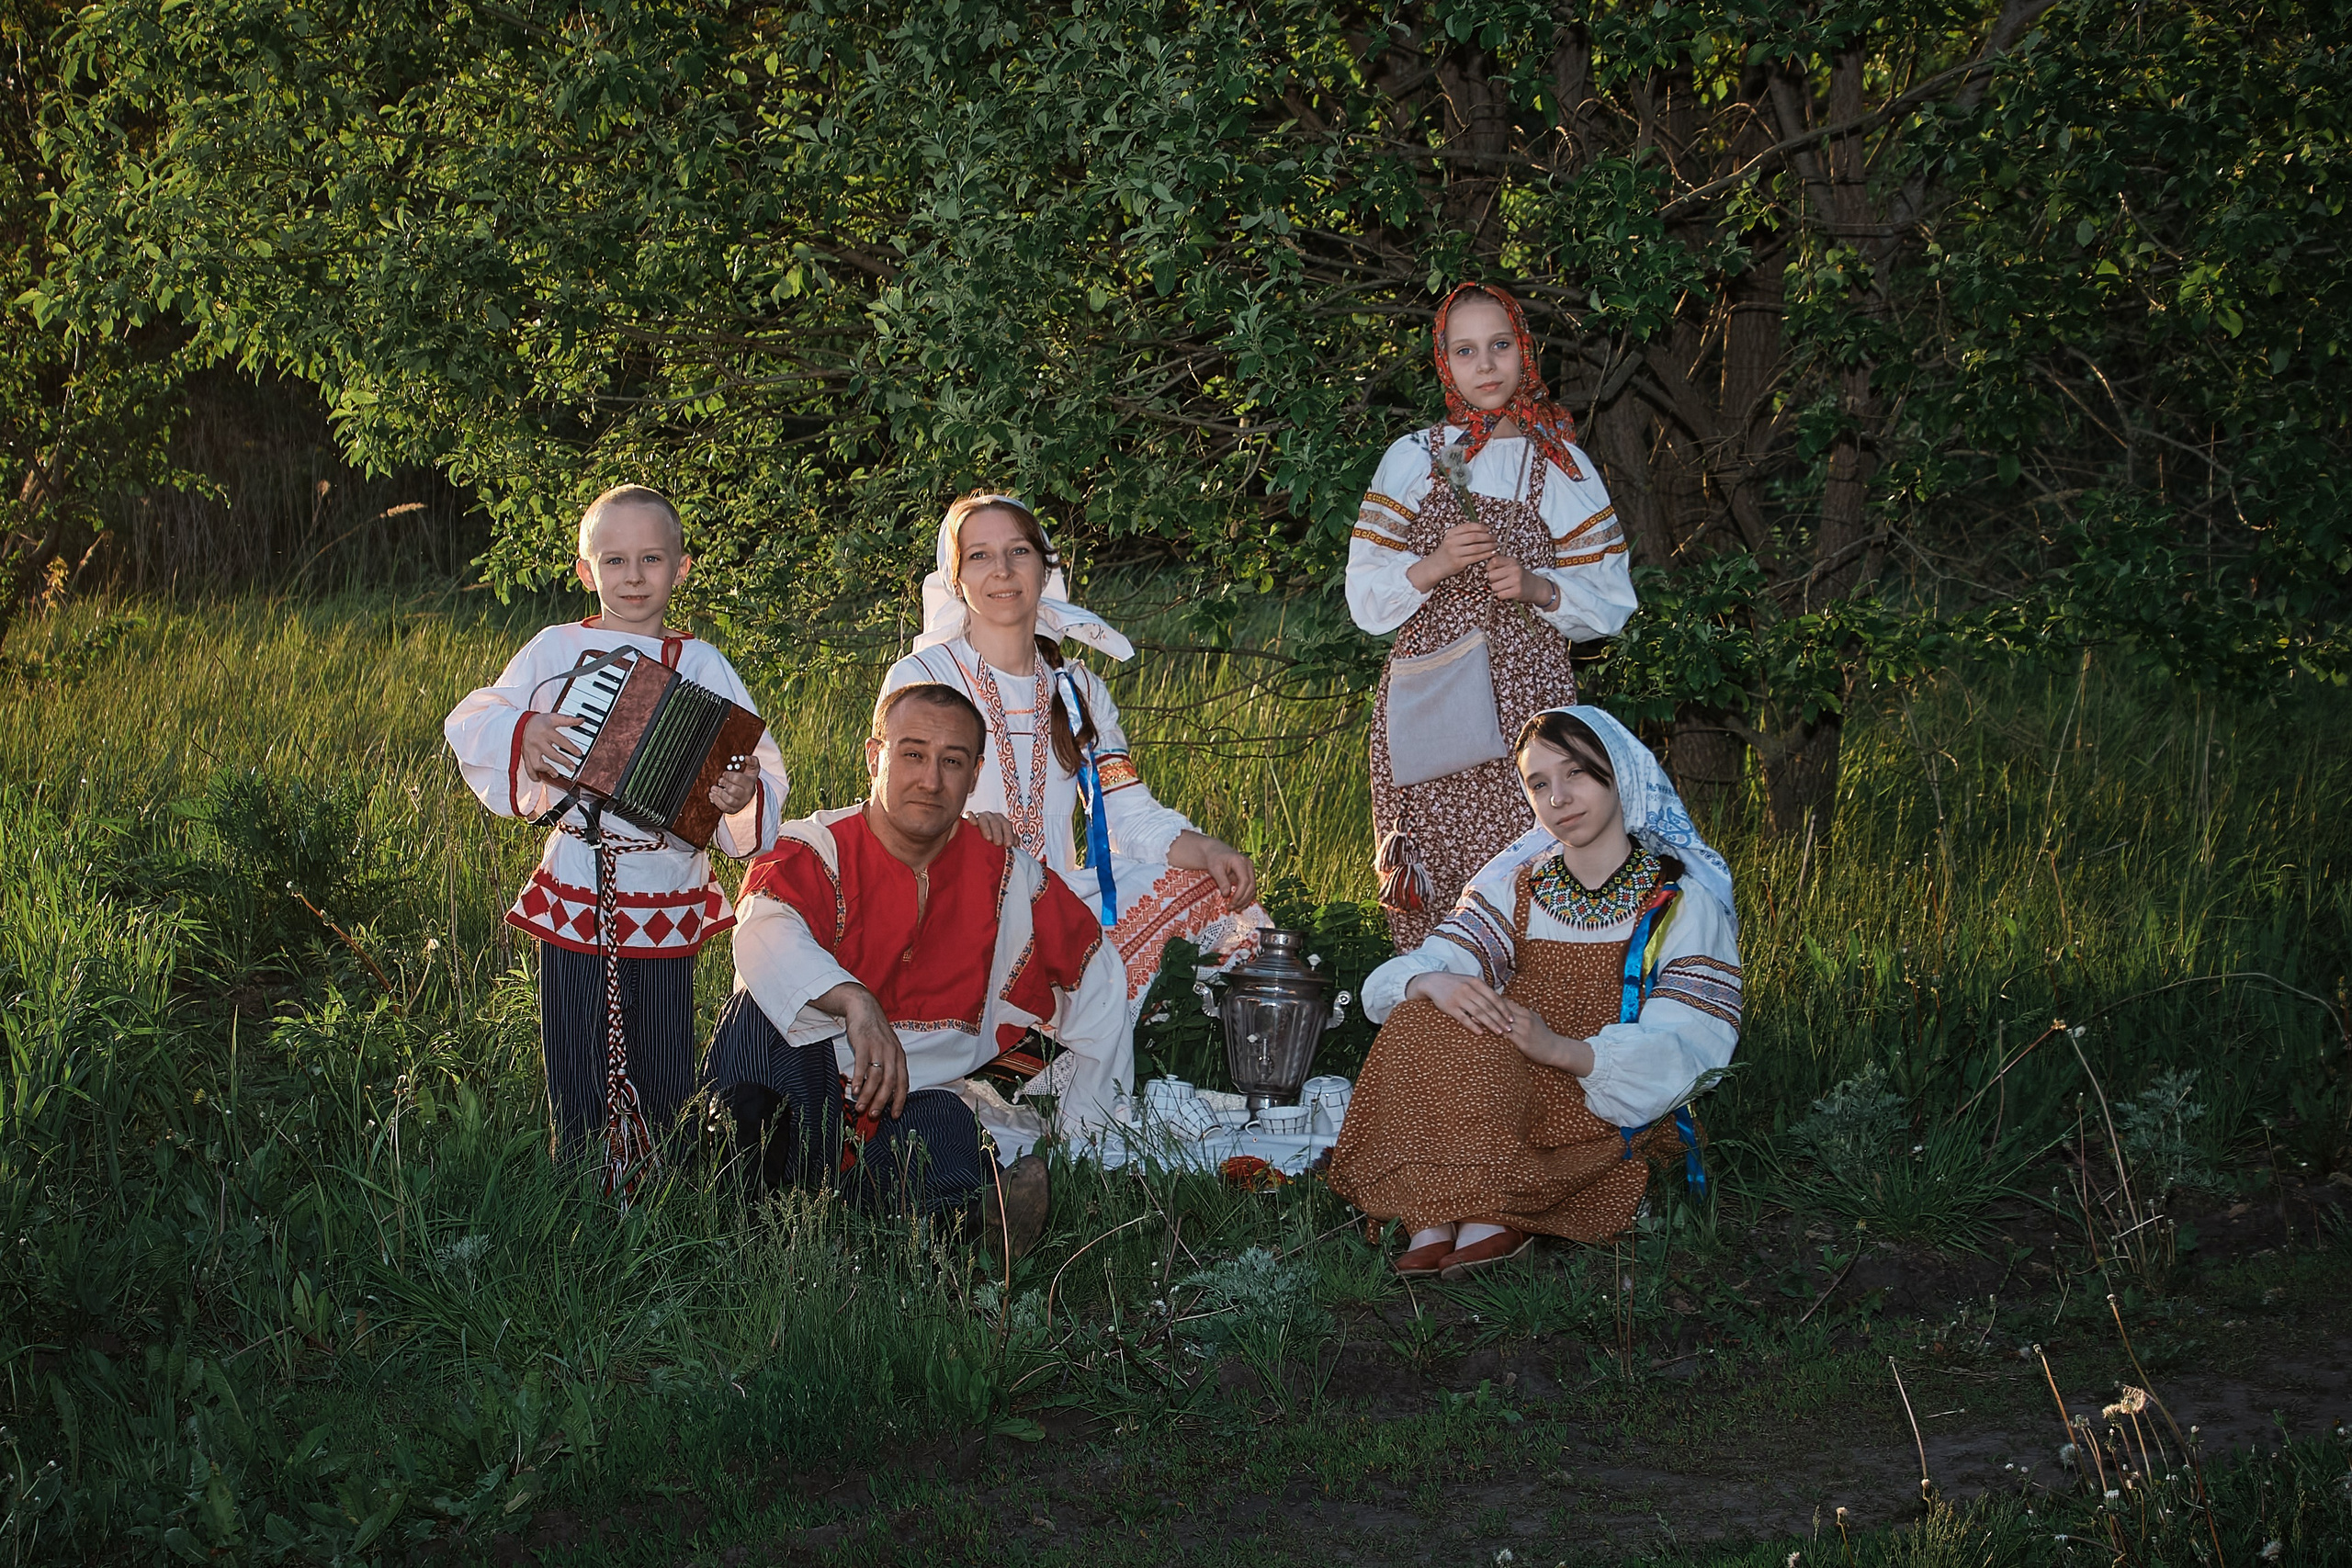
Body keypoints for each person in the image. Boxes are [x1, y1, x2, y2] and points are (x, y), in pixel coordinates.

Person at [700, 682, 1131, 1259]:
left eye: (952, 762)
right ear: (874, 756)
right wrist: (855, 1001)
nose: (931, 780)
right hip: (807, 1086)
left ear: (975, 775)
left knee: (948, 1129)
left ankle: (962, 1229)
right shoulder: (816, 848)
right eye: (912, 754)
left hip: (909, 1104)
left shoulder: (1009, 877)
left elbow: (1096, 978)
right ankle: (756, 1213)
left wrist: (1090, 1135)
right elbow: (762, 929)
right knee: (755, 1016)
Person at [446, 484, 788, 1195]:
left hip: (664, 886)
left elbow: (756, 766)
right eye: (615, 560)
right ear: (585, 571)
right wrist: (524, 731)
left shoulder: (703, 665)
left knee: (662, 1050)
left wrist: (740, 794)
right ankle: (579, 1185)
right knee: (574, 1047)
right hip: (576, 876)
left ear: (682, 568)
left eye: (652, 559)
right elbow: (471, 720)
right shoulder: (556, 649)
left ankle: (662, 1188)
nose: (634, 577)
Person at [1328, 706, 1740, 1280]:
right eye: (1539, 784)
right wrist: (1432, 980)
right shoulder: (1519, 887)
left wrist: (1560, 1050)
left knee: (1491, 1048)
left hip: (1599, 1090)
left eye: (1575, 774)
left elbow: (1693, 1046)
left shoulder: (1678, 902)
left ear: (1619, 772)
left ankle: (1488, 1217)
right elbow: (1427, 964)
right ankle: (1432, 1220)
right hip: (1509, 1074)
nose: (1559, 798)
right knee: (1418, 1015)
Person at [880, 491, 1267, 1012]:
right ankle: (1026, 1035)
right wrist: (965, 828)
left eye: (1019, 551)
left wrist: (1212, 851)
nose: (1001, 571)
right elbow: (892, 810)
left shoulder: (1078, 688)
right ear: (956, 579)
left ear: (1045, 570)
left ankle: (1068, 1032)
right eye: (979, 556)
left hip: (1056, 901)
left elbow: (1128, 815)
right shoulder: (923, 678)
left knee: (1204, 886)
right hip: (952, 897)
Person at [1351, 282, 1639, 953]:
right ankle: (1436, 1032)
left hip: (1527, 707)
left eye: (1500, 345)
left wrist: (1539, 587)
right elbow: (1364, 597)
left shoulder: (1559, 463)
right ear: (1443, 363)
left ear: (1524, 350)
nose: (1486, 366)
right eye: (1465, 350)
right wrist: (1436, 563)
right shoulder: (1417, 458)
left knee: (1523, 871)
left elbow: (1613, 596)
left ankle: (1524, 1039)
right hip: (1431, 704)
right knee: (1437, 877)